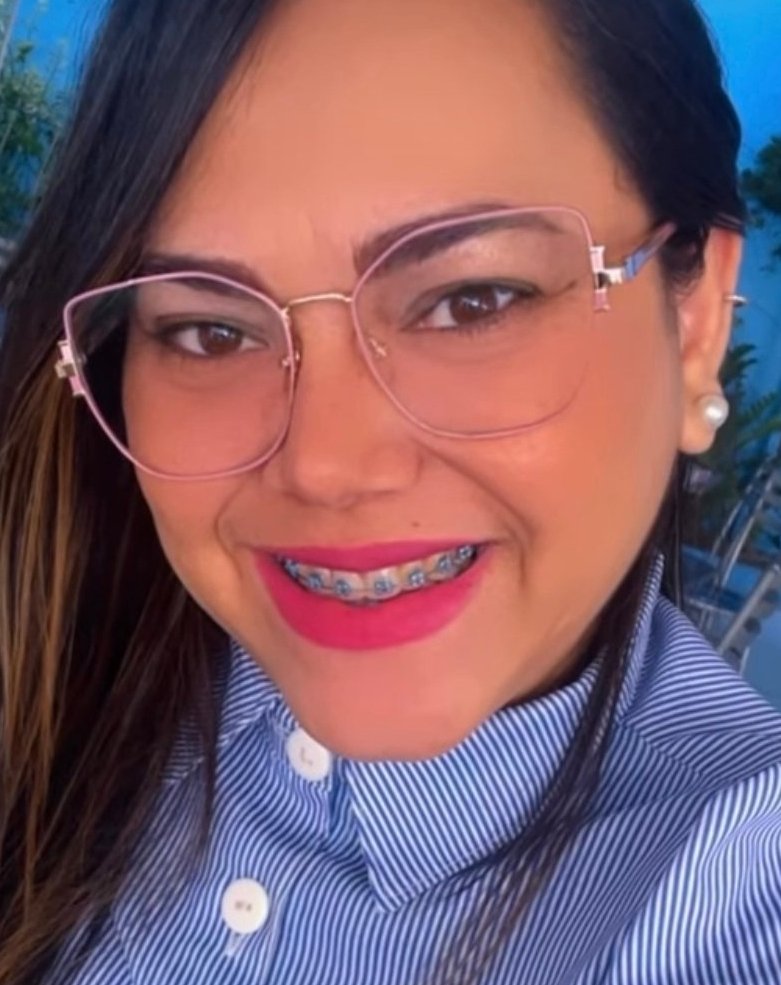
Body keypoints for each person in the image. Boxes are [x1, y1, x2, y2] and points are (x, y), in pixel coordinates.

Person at [0, 0, 779, 981]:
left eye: (470, 301)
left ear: (696, 322)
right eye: (210, 330)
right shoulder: (56, 659)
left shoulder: (733, 886)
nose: (323, 465)